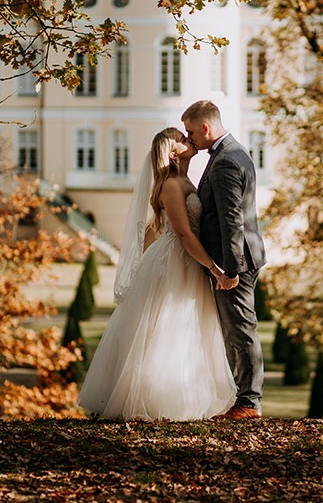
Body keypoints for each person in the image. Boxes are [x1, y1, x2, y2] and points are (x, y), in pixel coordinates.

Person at [77, 127, 237, 421]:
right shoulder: (172, 186)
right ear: (172, 151)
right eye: (182, 137)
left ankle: (184, 395)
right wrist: (216, 270)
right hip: (174, 261)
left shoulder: (185, 179)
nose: (188, 139)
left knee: (187, 327)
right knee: (166, 327)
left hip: (187, 262)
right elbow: (184, 235)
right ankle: (153, 401)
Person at [182, 100, 267, 420]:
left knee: (240, 331)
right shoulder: (234, 152)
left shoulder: (227, 161)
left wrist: (229, 270)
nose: (189, 138)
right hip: (241, 256)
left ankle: (249, 402)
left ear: (206, 127)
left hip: (237, 261)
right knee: (236, 329)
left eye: (191, 132)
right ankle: (242, 398)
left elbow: (233, 219)